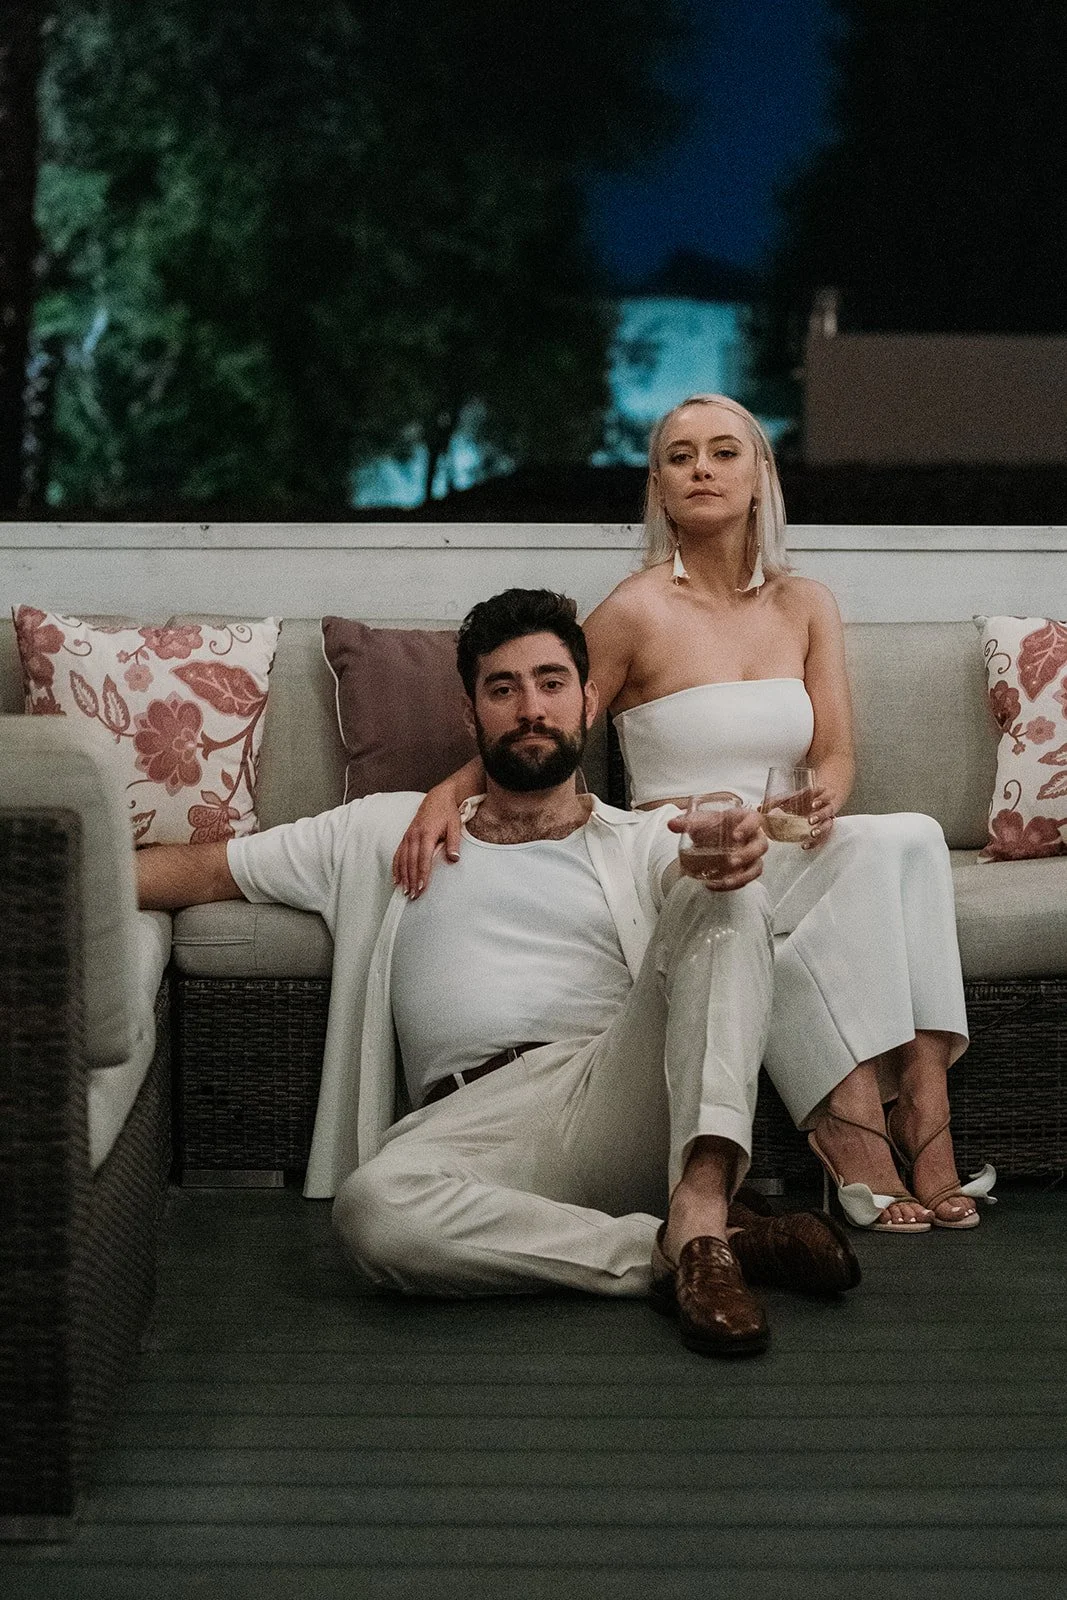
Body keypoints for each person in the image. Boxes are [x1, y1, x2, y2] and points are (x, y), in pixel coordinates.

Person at [139, 587, 861, 1358]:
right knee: (375, 1212)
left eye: (551, 683)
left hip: (609, 1094)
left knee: (725, 898)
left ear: (587, 701)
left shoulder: (640, 838)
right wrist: (49, 865)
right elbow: (201, 870)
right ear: (468, 714)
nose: (530, 707)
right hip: (467, 1125)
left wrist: (725, 858)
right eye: (502, 688)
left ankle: (702, 1204)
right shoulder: (383, 830)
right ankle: (691, 1252)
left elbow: (695, 869)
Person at [394, 401, 997, 1233]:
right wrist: (440, 792)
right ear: (659, 487)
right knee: (842, 872)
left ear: (759, 481)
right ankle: (865, 1134)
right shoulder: (634, 610)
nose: (702, 469)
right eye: (680, 457)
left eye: (723, 453)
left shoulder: (806, 604)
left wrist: (820, 796)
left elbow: (837, 753)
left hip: (791, 843)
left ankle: (921, 1111)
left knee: (911, 836)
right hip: (683, 860)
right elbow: (544, 720)